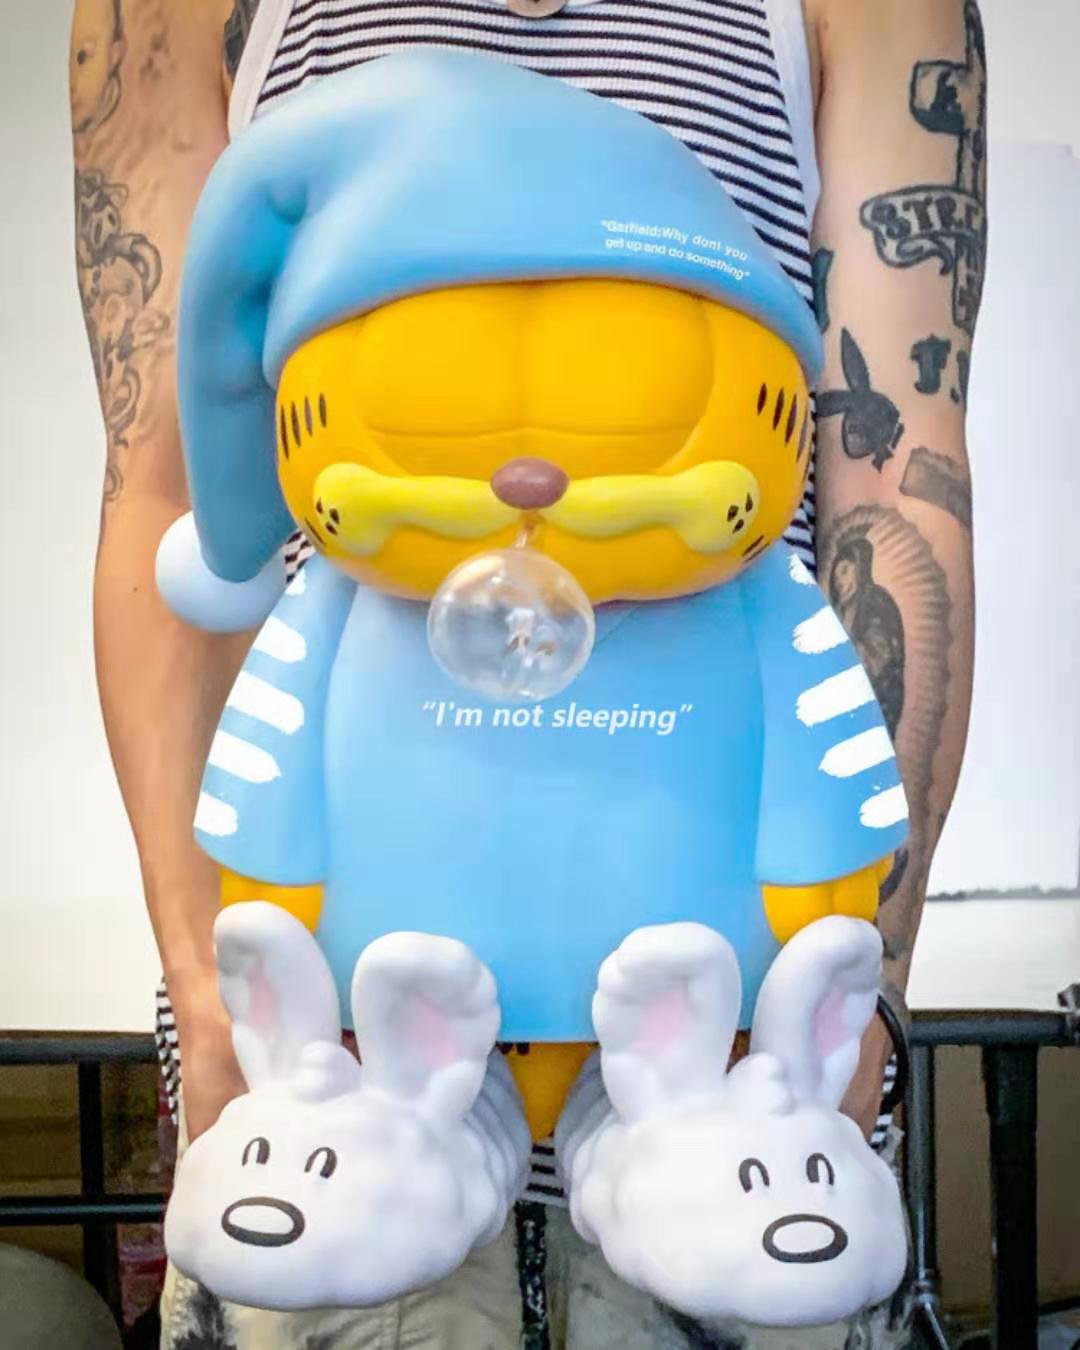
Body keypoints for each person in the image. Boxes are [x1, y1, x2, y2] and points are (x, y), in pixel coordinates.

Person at [71, 1, 980, 1346]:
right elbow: (168, 487)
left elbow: (894, 473)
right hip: (344, 1076)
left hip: (732, 1072)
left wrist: (843, 1011)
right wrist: (215, 1001)